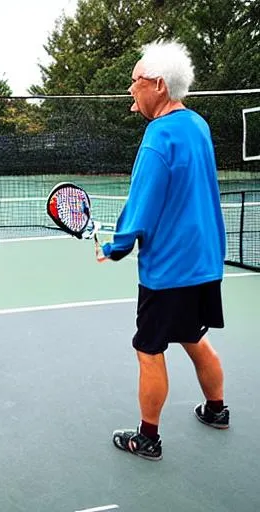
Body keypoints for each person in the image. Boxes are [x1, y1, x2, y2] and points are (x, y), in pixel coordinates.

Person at [96, 40, 229, 461]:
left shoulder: (157, 138)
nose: (131, 90)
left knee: (149, 349)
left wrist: (115, 246)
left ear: (157, 84)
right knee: (193, 336)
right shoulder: (198, 125)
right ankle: (216, 410)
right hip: (205, 260)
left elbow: (144, 203)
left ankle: (147, 438)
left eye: (135, 82)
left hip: (170, 268)